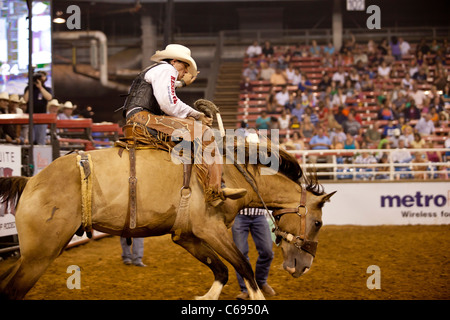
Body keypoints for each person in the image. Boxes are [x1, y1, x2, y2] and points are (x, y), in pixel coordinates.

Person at [121, 44, 246, 206]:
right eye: (185, 66)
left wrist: (182, 85)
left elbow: (163, 90)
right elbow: (168, 104)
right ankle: (215, 189)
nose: (186, 72)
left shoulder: (159, 70)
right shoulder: (168, 70)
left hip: (140, 116)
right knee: (205, 133)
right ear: (174, 62)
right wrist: (197, 114)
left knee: (194, 130)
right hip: (144, 118)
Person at [232, 207, 276, 300]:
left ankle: (261, 282)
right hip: (240, 215)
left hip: (259, 216)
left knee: (267, 252)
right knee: (240, 255)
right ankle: (246, 289)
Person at [23, 71, 53, 145]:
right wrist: (30, 86)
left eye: (42, 76)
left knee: (40, 140)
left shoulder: (47, 89)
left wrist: (40, 87)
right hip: (29, 116)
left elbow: (49, 97)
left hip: (41, 116)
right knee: (31, 139)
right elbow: (25, 99)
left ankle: (40, 155)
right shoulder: (29, 88)